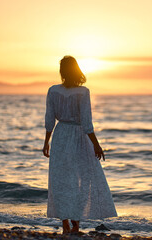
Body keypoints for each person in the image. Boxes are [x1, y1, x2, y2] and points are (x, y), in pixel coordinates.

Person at [42, 56, 118, 234]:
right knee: (82, 179)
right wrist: (96, 145)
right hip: (78, 137)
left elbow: (49, 119)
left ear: (62, 72)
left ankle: (66, 224)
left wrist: (46, 141)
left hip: (60, 136)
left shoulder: (53, 91)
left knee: (61, 179)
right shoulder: (83, 92)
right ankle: (75, 224)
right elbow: (86, 123)